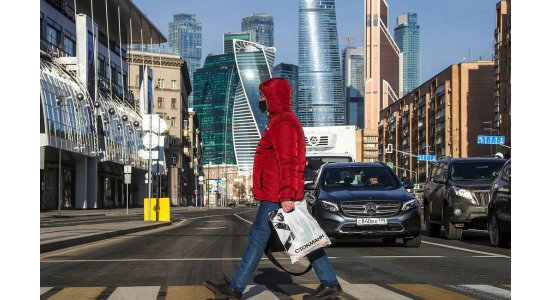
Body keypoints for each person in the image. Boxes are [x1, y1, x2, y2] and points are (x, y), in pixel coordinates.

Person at [203, 77, 343, 299]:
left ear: (272, 98)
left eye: (262, 96)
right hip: (276, 192)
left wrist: (286, 194)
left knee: (258, 237)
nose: (260, 100)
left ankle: (236, 289)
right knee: (304, 237)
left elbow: (288, 160)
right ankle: (329, 283)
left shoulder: (283, 122)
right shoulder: (280, 120)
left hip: (276, 194)